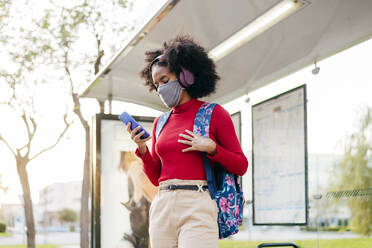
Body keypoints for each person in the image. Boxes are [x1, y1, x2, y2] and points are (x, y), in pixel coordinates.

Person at [126, 34, 248, 248]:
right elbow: (156, 178)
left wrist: (212, 148)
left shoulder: (215, 114)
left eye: (165, 80)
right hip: (162, 203)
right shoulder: (160, 122)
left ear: (186, 76)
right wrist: (143, 149)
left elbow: (241, 165)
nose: (161, 88)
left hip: (198, 204)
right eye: (157, 85)